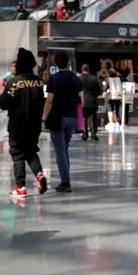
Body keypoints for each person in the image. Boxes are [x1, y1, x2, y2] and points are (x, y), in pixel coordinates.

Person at [0, 48, 47, 198]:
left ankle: (20, 188)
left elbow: (4, 104)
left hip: (17, 125)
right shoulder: (38, 82)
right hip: (34, 124)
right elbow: (42, 101)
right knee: (31, 151)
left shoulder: (13, 83)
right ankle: (39, 174)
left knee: (18, 154)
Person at [42, 51, 83, 193]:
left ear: (55, 63)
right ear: (69, 62)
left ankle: (65, 182)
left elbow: (49, 100)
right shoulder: (75, 78)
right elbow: (81, 100)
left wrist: (43, 118)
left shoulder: (53, 79)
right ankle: (65, 180)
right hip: (71, 117)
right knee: (64, 149)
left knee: (60, 151)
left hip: (57, 118)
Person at [79, 64, 101, 141]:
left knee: (84, 117)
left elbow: (77, 90)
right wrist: (94, 95)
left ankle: (85, 134)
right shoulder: (94, 78)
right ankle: (94, 134)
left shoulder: (79, 79)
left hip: (83, 100)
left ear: (82, 69)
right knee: (93, 117)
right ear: (88, 69)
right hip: (92, 100)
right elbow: (99, 90)